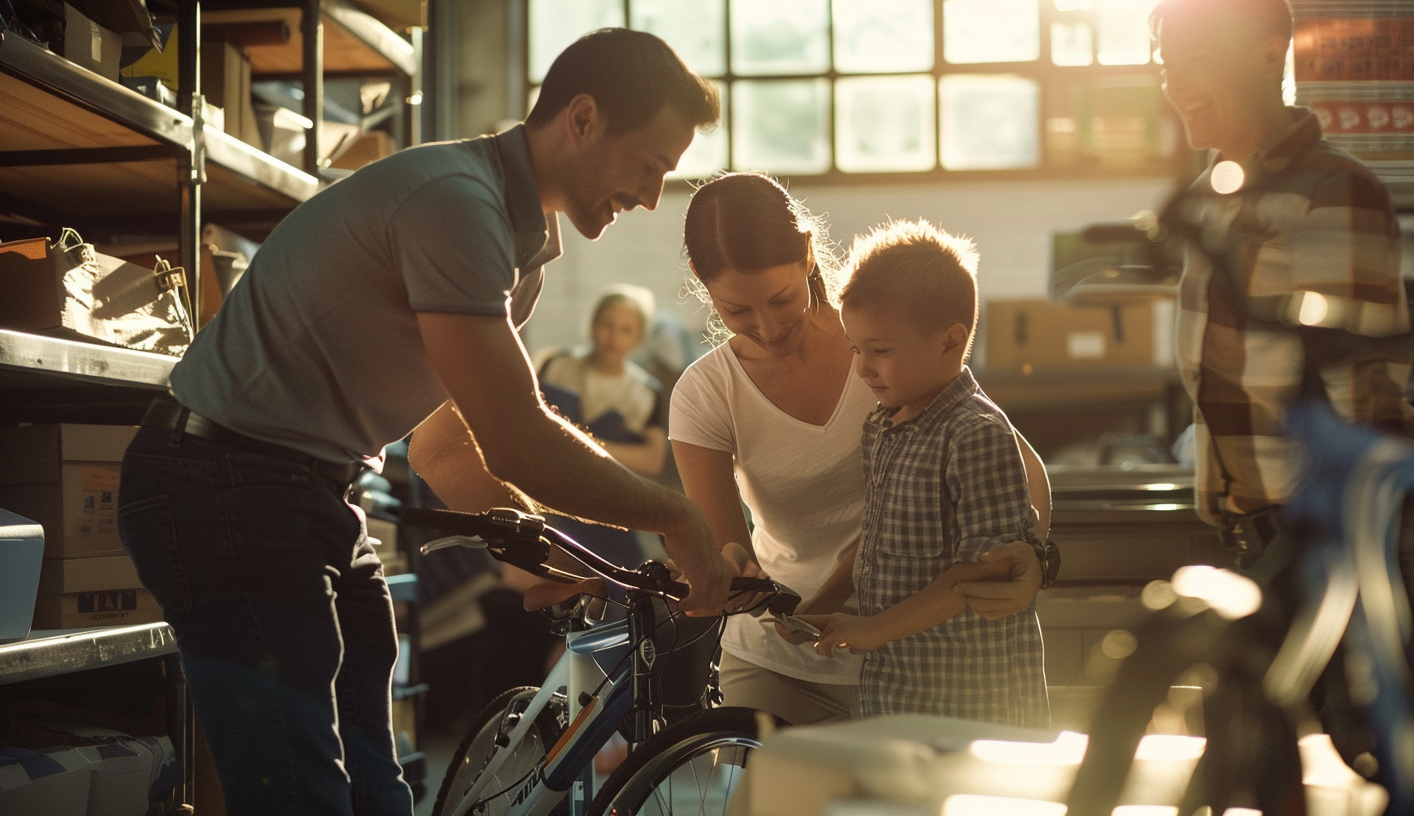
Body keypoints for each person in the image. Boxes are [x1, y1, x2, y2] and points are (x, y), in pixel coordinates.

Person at [117, 28, 737, 816]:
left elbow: (446, 444)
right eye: (648, 165)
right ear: (582, 119)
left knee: (380, 786)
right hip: (223, 482)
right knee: (299, 791)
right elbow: (520, 440)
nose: (651, 196)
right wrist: (678, 517)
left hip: (312, 492)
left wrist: (541, 553)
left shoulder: (523, 249)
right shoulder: (455, 202)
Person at [1154, 0, 1414, 768]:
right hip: (1262, 531)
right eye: (1165, 62)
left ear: (1266, 54)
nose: (1177, 82)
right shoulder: (1219, 191)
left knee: (1369, 763)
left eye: (1196, 58)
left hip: (1350, 529)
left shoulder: (1334, 189)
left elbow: (1341, 396)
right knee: (1269, 768)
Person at [671, 172, 1057, 725]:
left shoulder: (885, 343)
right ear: (702, 285)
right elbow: (731, 552)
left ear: (807, 252)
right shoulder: (707, 391)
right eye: (737, 311)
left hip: (926, 656)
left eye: (782, 299)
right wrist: (731, 573)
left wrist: (1029, 559)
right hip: (785, 657)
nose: (768, 326)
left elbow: (1012, 464)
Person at [794, 220, 1051, 726]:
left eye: (881, 351)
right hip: (895, 692)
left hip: (975, 701)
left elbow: (987, 569)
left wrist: (875, 629)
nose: (863, 368)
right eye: (855, 350)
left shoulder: (975, 432)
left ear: (950, 342)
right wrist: (817, 607)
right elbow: (876, 541)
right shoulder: (881, 427)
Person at [537, 285, 668, 566]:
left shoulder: (645, 393)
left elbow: (653, 460)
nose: (613, 336)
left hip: (609, 507)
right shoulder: (558, 365)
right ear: (593, 324)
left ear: (639, 337)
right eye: (606, 325)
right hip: (547, 498)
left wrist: (586, 445)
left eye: (625, 329)